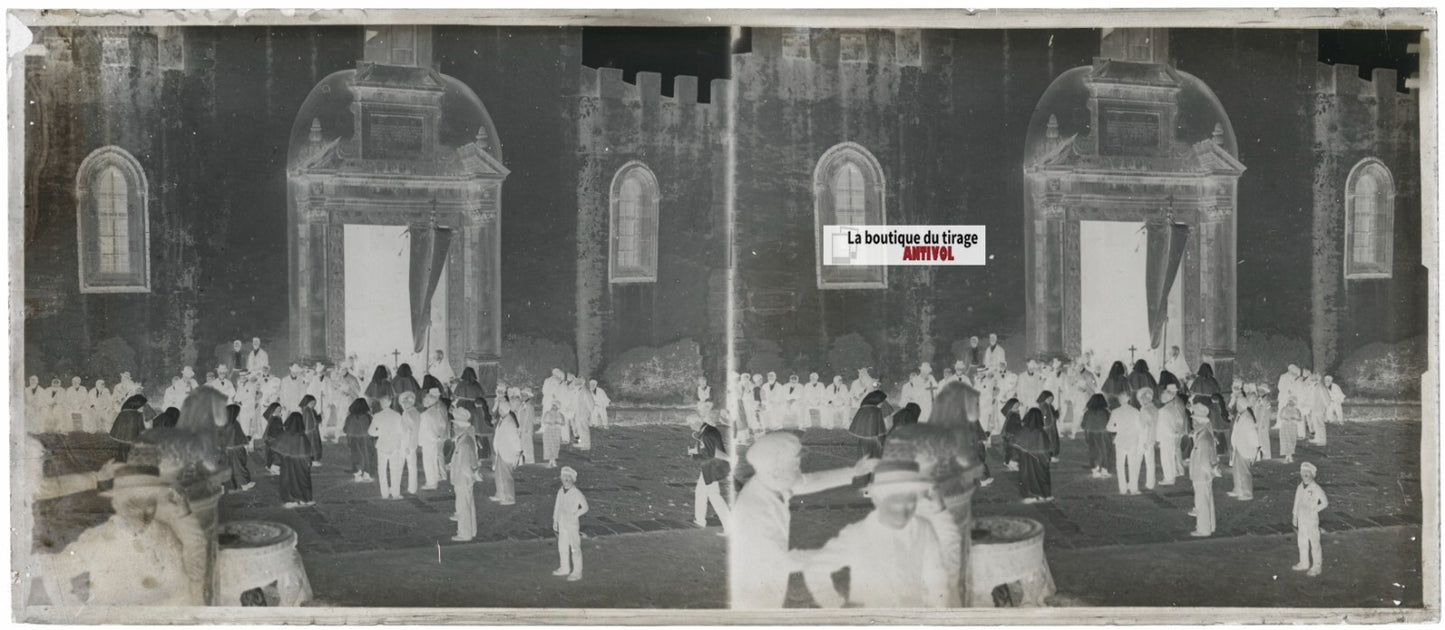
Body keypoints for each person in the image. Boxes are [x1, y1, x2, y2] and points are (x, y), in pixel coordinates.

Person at [730, 431, 876, 609]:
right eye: (795, 466)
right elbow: (780, 560)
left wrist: (854, 471)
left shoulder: (770, 482)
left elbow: (806, 481)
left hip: (771, 581)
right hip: (756, 591)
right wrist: (841, 555)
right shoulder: (753, 510)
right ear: (776, 472)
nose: (799, 471)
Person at [793, 460, 950, 608]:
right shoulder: (857, 534)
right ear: (877, 501)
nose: (904, 513)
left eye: (910, 505)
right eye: (895, 507)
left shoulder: (923, 528)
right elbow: (816, 567)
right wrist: (836, 604)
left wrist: (937, 609)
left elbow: (936, 575)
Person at [36, 465, 199, 606]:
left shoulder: (165, 533)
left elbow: (185, 583)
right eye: (134, 505)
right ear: (117, 504)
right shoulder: (98, 539)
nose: (145, 512)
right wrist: (75, 612)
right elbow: (53, 572)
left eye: (151, 503)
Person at [687, 413, 731, 534]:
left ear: (696, 423)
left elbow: (710, 455)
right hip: (710, 467)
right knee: (700, 492)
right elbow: (712, 449)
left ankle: (729, 525)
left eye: (691, 424)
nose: (690, 427)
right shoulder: (710, 430)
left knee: (714, 496)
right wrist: (696, 450)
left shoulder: (706, 435)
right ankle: (700, 520)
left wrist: (694, 456)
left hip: (712, 468)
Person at [448, 408, 482, 541]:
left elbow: (465, 465)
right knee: (468, 505)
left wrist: (469, 476)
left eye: (455, 426)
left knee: (463, 507)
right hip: (465, 478)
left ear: (460, 427)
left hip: (463, 478)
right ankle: (471, 530)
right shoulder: (464, 439)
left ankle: (464, 533)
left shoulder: (464, 443)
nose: (453, 428)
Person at [552, 466, 590, 581]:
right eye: (564, 478)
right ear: (561, 479)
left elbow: (585, 507)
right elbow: (557, 506)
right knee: (562, 547)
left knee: (575, 548)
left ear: (573, 480)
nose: (566, 480)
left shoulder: (577, 493)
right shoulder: (560, 491)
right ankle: (564, 567)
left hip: (572, 525)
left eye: (569, 478)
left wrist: (575, 514)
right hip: (562, 523)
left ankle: (577, 571)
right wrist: (555, 520)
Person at [368, 393, 408, 499]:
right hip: (394, 445)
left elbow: (371, 432)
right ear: (390, 403)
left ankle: (384, 493)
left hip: (382, 444)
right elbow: (402, 431)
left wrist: (380, 432)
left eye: (382, 402)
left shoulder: (377, 416)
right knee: (394, 469)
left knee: (382, 470)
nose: (382, 403)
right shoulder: (397, 415)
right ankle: (395, 493)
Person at [1292, 462, 1329, 576]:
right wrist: (1294, 515)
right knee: (1302, 541)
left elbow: (1325, 503)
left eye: (1308, 473)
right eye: (1303, 472)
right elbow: (1296, 502)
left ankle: (1317, 566)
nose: (1305, 474)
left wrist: (1314, 509)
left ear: (1313, 475)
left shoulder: (1316, 488)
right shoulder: (1299, 487)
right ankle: (1304, 562)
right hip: (1301, 518)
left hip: (1311, 520)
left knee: (1314, 542)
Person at [272, 412, 314, 508]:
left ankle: (289, 500)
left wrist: (277, 462)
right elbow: (307, 452)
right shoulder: (302, 436)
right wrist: (308, 462)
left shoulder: (284, 435)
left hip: (287, 461)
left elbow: (277, 450)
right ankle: (303, 499)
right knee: (303, 480)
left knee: (287, 479)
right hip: (301, 463)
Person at [1107, 393, 1146, 495]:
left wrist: (1119, 428)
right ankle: (1133, 488)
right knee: (1132, 465)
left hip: (1120, 440)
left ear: (1119, 400)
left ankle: (1122, 489)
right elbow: (1141, 428)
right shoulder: (1135, 411)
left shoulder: (1115, 412)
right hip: (1133, 440)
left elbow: (1109, 427)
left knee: (1120, 465)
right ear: (1129, 399)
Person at [1189, 403, 1218, 537]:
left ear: (1200, 421)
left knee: (1202, 502)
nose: (1193, 423)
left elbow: (1205, 461)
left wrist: (1210, 472)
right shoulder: (1203, 434)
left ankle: (1203, 529)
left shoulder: (1204, 438)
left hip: (1201, 475)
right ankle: (1210, 526)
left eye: (1194, 420)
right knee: (1206, 501)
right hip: (1203, 475)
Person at [1012, 408, 1053, 503]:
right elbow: (1046, 448)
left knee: (1026, 476)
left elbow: (1017, 445)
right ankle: (1043, 494)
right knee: (1041, 476)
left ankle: (1028, 495)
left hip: (1025, 458)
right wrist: (1047, 457)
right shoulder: (1041, 432)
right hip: (1039, 459)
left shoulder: (1023, 431)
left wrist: (1016, 458)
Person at [1228, 399, 1262, 501]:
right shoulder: (1240, 415)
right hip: (1238, 446)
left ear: (1243, 406)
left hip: (1245, 447)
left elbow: (1253, 435)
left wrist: (1256, 447)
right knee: (1236, 469)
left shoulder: (1247, 418)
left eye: (1238, 405)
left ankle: (1247, 493)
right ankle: (1237, 489)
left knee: (1244, 471)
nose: (1237, 407)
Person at [1155, 383, 1187, 485]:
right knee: (1172, 455)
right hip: (1174, 434)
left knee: (1166, 458)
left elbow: (1164, 427)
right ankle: (1173, 474)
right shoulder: (1174, 405)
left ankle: (1169, 478)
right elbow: (1180, 419)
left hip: (1167, 437)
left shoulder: (1163, 411)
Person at [218, 403, 254, 491]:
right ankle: (244, 484)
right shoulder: (234, 424)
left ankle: (222, 487)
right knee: (239, 467)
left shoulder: (223, 423)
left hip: (226, 450)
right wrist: (248, 438)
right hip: (236, 450)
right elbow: (239, 438)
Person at [418, 389, 449, 490]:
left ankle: (431, 483)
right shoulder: (436, 412)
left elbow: (423, 430)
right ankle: (435, 479)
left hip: (428, 441)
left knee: (428, 462)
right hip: (436, 438)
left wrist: (421, 441)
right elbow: (443, 424)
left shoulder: (425, 415)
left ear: (427, 403)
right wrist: (438, 435)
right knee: (434, 460)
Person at [492, 406, 522, 506]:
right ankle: (500, 494)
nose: (499, 411)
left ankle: (509, 498)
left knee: (506, 476)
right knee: (499, 474)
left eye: (501, 410)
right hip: (501, 451)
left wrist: (518, 452)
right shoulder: (503, 419)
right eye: (499, 409)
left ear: (506, 410)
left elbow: (515, 438)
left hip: (507, 452)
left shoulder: (509, 422)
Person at [848, 390, 890, 458]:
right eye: (882, 401)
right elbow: (881, 431)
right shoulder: (876, 411)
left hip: (862, 440)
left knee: (862, 455)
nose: (882, 403)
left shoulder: (862, 409)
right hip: (873, 440)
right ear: (877, 401)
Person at [1081, 393, 1114, 478]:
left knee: (1093, 451)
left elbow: (1083, 425)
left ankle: (1095, 470)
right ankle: (1104, 469)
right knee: (1105, 451)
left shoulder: (1088, 412)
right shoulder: (1106, 412)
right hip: (1103, 434)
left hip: (1090, 434)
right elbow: (1111, 424)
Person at [109, 394, 149, 462]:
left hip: (121, 435)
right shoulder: (138, 415)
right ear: (137, 405)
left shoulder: (123, 412)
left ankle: (121, 460)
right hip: (131, 436)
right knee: (129, 450)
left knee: (122, 448)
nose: (143, 407)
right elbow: (141, 427)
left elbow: (117, 424)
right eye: (143, 405)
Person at [343, 397, 375, 482]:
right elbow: (373, 428)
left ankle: (357, 474)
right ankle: (366, 474)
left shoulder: (350, 417)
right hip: (366, 439)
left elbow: (345, 429)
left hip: (353, 438)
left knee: (356, 455)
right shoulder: (368, 417)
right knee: (367, 455)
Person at [298, 394, 324, 466]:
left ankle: (313, 459)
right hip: (310, 432)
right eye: (311, 403)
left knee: (315, 445)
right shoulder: (306, 410)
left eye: (314, 403)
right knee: (312, 446)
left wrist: (320, 416)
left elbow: (315, 420)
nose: (313, 405)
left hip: (313, 431)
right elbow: (309, 422)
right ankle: (312, 460)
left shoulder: (311, 410)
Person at [999, 398, 1024, 471]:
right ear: (1011, 405)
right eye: (1016, 404)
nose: (1017, 405)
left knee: (1009, 449)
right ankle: (1012, 463)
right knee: (1014, 449)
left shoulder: (1013, 412)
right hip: (1012, 434)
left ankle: (1008, 462)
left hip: (1011, 433)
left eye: (1018, 403)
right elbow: (1013, 425)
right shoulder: (1013, 413)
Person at [260, 402, 285, 474]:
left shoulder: (275, 417)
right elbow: (276, 429)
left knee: (270, 453)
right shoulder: (275, 418)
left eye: (280, 409)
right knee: (276, 453)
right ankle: (274, 468)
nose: (279, 411)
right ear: (273, 410)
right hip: (273, 438)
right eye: (278, 409)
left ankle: (269, 466)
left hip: (272, 438)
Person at [516, 387, 539, 464]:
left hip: (527, 427)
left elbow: (529, 418)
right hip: (521, 426)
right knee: (522, 443)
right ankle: (523, 459)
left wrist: (526, 428)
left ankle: (529, 459)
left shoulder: (529, 406)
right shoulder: (522, 405)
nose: (523, 396)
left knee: (527, 443)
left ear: (528, 396)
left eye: (525, 395)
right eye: (522, 395)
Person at [1037, 390, 1061, 461]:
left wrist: (1057, 412)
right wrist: (1044, 423)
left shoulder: (1050, 406)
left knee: (1053, 441)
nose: (1051, 400)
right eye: (1050, 399)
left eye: (1052, 399)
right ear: (1045, 398)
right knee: (1049, 441)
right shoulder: (1043, 406)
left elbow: (1054, 416)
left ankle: (1050, 455)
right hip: (1047, 427)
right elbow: (1043, 416)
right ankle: (1049, 456)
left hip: (1052, 427)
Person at [541, 399, 566, 468]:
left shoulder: (560, 414)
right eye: (553, 405)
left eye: (555, 406)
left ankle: (553, 460)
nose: (553, 407)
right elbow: (543, 421)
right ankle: (550, 460)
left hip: (556, 431)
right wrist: (548, 423)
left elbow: (563, 423)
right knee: (548, 445)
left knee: (555, 445)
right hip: (548, 431)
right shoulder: (547, 413)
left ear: (558, 407)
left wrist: (557, 423)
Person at [1278, 395, 1302, 463]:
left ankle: (1290, 455)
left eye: (1292, 402)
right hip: (1284, 427)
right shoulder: (1284, 409)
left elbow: (1300, 419)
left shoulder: (1297, 410)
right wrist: (1285, 419)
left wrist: (1294, 419)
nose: (1290, 403)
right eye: (1290, 401)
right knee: (1285, 441)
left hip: (1293, 428)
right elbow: (1280, 416)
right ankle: (1287, 456)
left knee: (1291, 441)